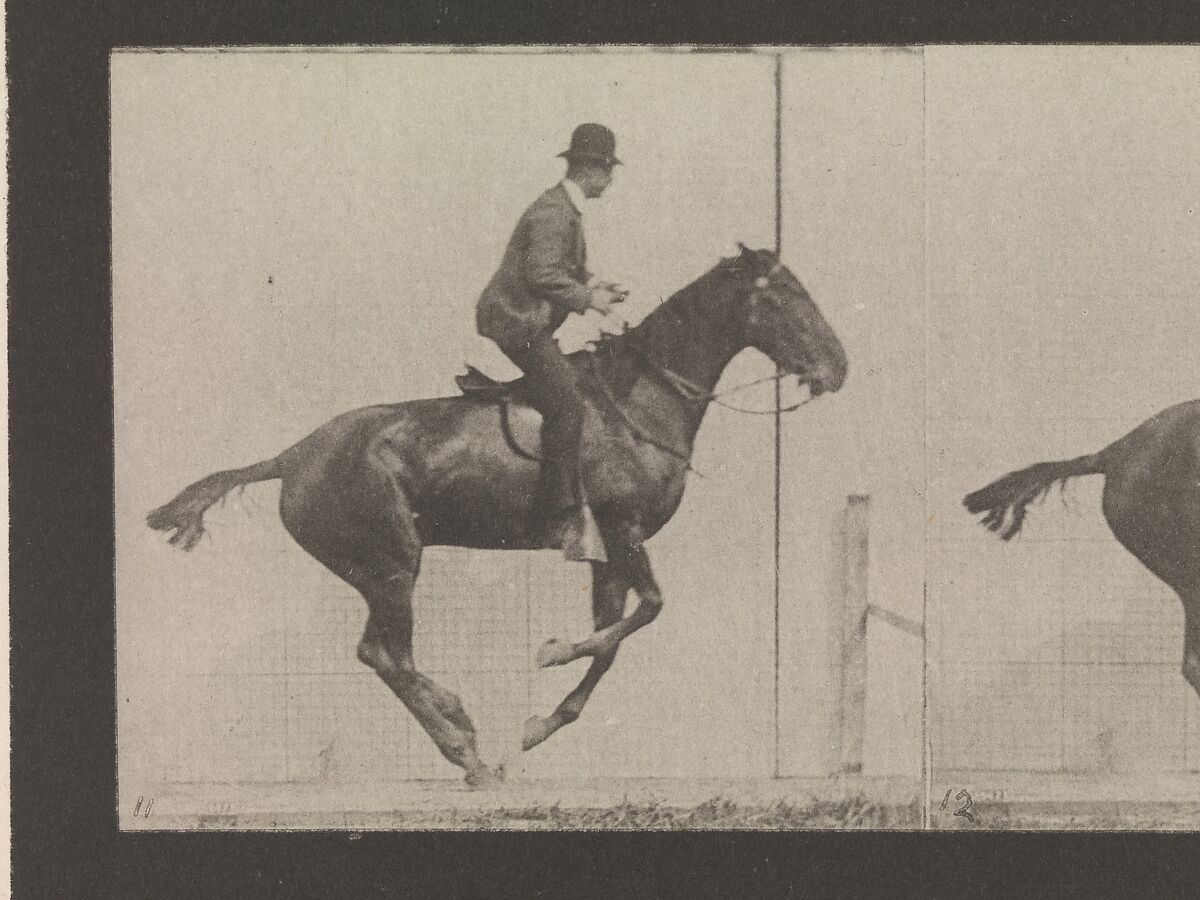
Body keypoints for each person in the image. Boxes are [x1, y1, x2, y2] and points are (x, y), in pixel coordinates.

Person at [476, 123, 627, 554]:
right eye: (608, 171)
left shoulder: (565, 209)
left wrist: (598, 284)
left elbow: (562, 264)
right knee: (567, 403)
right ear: (591, 170)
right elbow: (541, 274)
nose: (611, 180)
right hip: (517, 322)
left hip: (529, 322)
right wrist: (589, 300)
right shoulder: (554, 212)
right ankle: (557, 514)